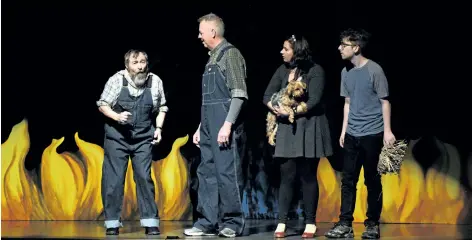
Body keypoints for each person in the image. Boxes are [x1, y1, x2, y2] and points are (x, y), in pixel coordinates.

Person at [324, 28, 395, 239]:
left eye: (343, 45)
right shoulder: (345, 72)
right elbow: (347, 102)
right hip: (352, 134)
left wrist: (387, 131)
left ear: (356, 48)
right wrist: (344, 130)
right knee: (348, 181)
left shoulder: (375, 70)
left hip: (373, 134)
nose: (339, 48)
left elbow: (385, 101)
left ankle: (372, 223)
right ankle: (345, 222)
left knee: (372, 180)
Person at [183, 13, 248, 238]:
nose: (199, 36)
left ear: (213, 31)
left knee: (227, 173)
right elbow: (208, 98)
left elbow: (239, 94)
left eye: (201, 32)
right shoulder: (212, 58)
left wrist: (227, 125)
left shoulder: (230, 55)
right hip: (210, 124)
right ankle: (206, 222)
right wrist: (201, 127)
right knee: (206, 172)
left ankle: (232, 221)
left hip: (224, 125)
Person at [263, 35, 333, 238]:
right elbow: (267, 95)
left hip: (309, 127)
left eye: (286, 48)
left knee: (308, 175)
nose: (282, 52)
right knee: (287, 175)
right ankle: (282, 221)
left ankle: (310, 222)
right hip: (287, 127)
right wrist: (277, 109)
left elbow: (315, 100)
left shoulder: (315, 71)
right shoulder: (282, 70)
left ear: (297, 51)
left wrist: (292, 111)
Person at [96, 49, 168, 236]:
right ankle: (112, 223)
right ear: (127, 66)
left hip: (143, 138)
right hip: (117, 138)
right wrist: (117, 116)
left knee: (144, 178)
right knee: (113, 180)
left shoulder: (155, 81)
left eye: (143, 62)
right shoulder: (116, 80)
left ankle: (151, 222)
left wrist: (159, 128)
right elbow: (103, 104)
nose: (141, 67)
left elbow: (162, 107)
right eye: (136, 63)